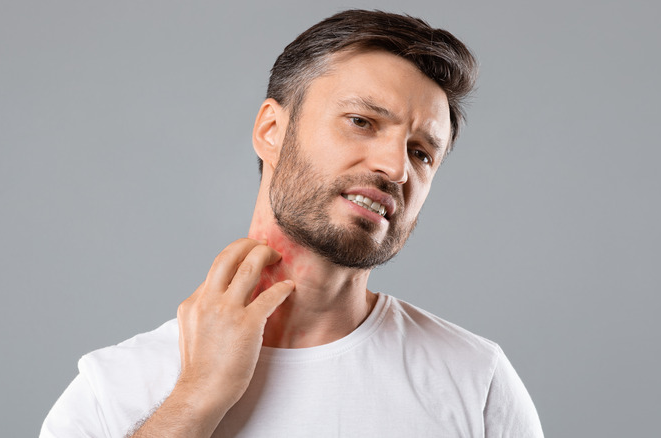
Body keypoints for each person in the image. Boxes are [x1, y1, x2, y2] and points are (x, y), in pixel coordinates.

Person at [41, 9, 544, 438]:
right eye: (362, 122)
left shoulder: (476, 382)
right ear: (271, 131)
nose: (396, 168)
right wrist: (196, 400)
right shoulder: (115, 389)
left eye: (422, 152)